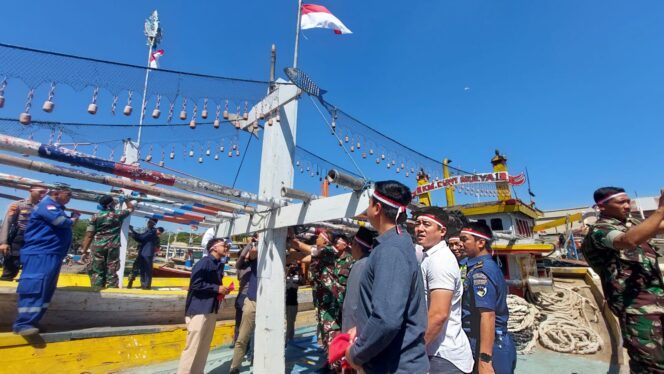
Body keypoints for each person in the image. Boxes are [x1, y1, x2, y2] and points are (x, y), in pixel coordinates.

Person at [345, 180, 429, 373]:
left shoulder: (391, 250)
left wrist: (356, 353)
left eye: (369, 202)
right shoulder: (396, 243)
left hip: (394, 366)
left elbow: (387, 319)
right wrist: (363, 329)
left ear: (377, 208)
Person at [581, 187, 664, 373]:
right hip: (636, 307)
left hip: (658, 300)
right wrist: (659, 210)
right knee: (651, 364)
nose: (627, 206)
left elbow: (658, 226)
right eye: (621, 202)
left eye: (628, 201)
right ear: (601, 207)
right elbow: (626, 241)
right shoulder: (600, 231)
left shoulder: (631, 223)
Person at [12, 185, 80, 336]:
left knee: (46, 289)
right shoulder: (47, 205)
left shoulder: (56, 207)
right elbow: (61, 222)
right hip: (40, 253)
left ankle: (34, 320)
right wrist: (74, 218)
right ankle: (23, 323)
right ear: (56, 193)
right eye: (68, 195)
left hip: (52, 254)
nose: (70, 198)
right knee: (35, 286)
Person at [414, 208, 473, 374]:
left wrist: (413, 351)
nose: (420, 228)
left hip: (443, 356)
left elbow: (439, 315)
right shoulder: (430, 257)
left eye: (427, 224)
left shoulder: (439, 261)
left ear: (442, 231)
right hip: (436, 352)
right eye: (418, 223)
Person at [460, 221, 516, 374]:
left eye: (465, 239)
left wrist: (484, 359)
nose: (461, 244)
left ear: (481, 242)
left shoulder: (481, 272)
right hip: (489, 340)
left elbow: (488, 315)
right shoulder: (480, 266)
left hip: (488, 344)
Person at [176, 237, 231, 374]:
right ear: (213, 248)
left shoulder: (218, 264)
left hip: (211, 309)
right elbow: (195, 284)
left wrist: (220, 290)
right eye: (224, 245)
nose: (226, 248)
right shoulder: (204, 263)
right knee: (193, 347)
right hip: (199, 310)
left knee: (203, 347)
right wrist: (216, 289)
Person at [81, 195, 134, 289]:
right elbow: (131, 208)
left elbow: (89, 235)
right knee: (112, 270)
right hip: (113, 246)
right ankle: (111, 294)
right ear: (111, 203)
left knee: (97, 270)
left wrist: (84, 251)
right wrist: (126, 199)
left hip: (98, 246)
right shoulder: (118, 214)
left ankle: (96, 292)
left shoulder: (94, 217)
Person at [0, 186, 47, 281]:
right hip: (19, 237)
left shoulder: (43, 207)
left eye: (45, 192)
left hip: (35, 239)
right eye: (40, 191)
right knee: (11, 265)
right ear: (30, 191)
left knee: (30, 266)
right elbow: (7, 223)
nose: (43, 194)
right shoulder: (18, 205)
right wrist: (3, 242)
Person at [229, 236, 258, 374]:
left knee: (253, 334)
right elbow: (247, 256)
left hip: (262, 299)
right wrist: (253, 243)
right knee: (243, 335)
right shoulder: (253, 259)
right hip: (250, 298)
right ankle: (235, 367)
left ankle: (254, 357)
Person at [341, 226, 377, 333]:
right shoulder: (373, 261)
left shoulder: (360, 265)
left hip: (355, 329)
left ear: (356, 245)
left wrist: (348, 330)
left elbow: (352, 305)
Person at [233, 234, 257, 345]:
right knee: (241, 322)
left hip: (246, 295)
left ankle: (240, 341)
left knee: (242, 322)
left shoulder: (246, 265)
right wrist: (250, 244)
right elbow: (243, 256)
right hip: (244, 295)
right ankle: (238, 342)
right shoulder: (243, 265)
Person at [128, 218, 163, 289]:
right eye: (148, 222)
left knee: (146, 270)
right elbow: (140, 239)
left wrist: (132, 232)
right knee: (142, 269)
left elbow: (141, 238)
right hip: (143, 252)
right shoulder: (150, 231)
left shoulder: (152, 231)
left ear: (153, 224)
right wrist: (132, 233)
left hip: (147, 253)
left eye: (149, 222)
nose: (148, 223)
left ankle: (146, 286)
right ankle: (143, 284)